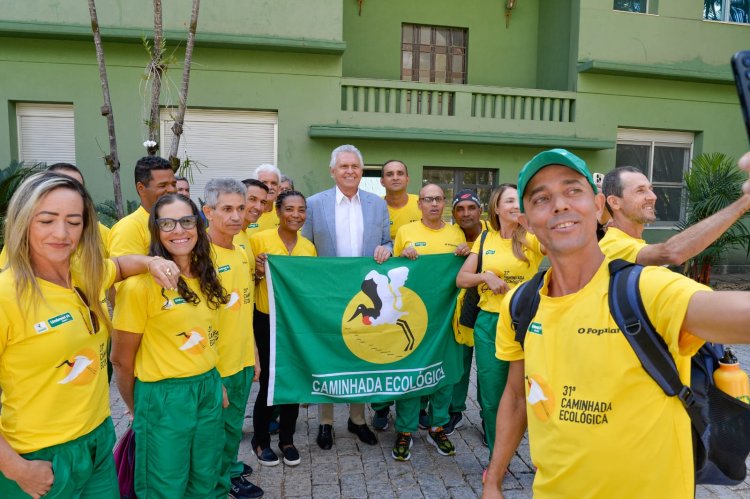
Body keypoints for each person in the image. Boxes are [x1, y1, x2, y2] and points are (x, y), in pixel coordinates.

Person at [483, 148, 750, 498]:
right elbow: (517, 398)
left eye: (572, 191)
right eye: (541, 198)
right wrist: (493, 481)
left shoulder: (644, 289)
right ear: (527, 222)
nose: (560, 204)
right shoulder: (521, 305)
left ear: (597, 207)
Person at [0, 172, 178, 498]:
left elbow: (121, 266)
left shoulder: (84, 273)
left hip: (97, 441)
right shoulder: (6, 295)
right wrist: (16, 468)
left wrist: (152, 263)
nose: (62, 233)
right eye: (46, 220)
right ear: (23, 221)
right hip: (40, 457)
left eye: (74, 221)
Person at [110, 194, 228, 498]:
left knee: (205, 479)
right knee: (166, 488)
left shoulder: (205, 276)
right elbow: (121, 361)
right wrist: (141, 409)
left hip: (207, 388)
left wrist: (217, 384)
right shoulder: (138, 287)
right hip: (162, 398)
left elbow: (210, 335)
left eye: (187, 221)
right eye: (168, 223)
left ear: (199, 226)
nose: (179, 230)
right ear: (156, 230)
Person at [302, 144, 392, 450]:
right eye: (344, 166)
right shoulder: (314, 204)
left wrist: (387, 249)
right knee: (328, 355)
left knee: (361, 353)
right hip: (328, 293)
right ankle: (325, 422)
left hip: (365, 294)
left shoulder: (378, 204)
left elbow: (387, 241)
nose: (350, 171)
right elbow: (305, 248)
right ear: (332, 171)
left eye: (355, 166)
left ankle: (357, 419)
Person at [456, 184, 544, 469]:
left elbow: (553, 249)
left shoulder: (530, 237)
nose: (515, 204)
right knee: (491, 394)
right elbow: (462, 278)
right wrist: (485, 277)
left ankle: (542, 453)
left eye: (520, 200)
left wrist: (529, 223)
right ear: (496, 208)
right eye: (509, 201)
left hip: (525, 324)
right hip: (489, 322)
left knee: (532, 391)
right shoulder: (485, 238)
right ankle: (498, 456)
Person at [389, 183, 469, 461]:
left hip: (447, 317)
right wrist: (403, 255)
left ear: (443, 203)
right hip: (415, 318)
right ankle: (405, 430)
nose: (433, 204)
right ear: (419, 204)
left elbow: (467, 268)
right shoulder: (405, 233)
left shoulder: (456, 233)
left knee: (444, 374)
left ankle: (438, 426)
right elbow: (393, 270)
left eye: (438, 199)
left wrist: (465, 251)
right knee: (412, 372)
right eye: (427, 199)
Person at [202, 179, 263, 499]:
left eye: (241, 208)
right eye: (227, 209)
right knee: (212, 437)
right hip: (214, 368)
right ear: (208, 211)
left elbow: (245, 307)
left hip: (240, 361)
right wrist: (209, 373)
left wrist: (252, 353)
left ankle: (226, 481)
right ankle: (211, 488)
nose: (236, 216)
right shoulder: (200, 256)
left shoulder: (242, 247)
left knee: (231, 432)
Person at [250, 190, 316, 467]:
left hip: (294, 323)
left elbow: (310, 288)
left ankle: (287, 439)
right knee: (268, 381)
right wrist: (257, 272)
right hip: (265, 319)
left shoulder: (308, 248)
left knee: (293, 379)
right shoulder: (258, 241)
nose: (296, 215)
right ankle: (260, 440)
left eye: (301, 210)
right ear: (277, 211)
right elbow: (245, 283)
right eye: (289, 209)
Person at [599, 165, 750, 264]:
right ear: (614, 202)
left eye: (650, 188)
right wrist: (744, 203)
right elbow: (670, 253)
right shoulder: (612, 245)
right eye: (640, 190)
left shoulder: (633, 243)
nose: (652, 196)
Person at [370, 159, 422, 431]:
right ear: (382, 181)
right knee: (384, 345)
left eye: (400, 173)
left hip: (415, 286)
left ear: (408, 178)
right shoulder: (377, 206)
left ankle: (416, 404)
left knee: (412, 344)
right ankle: (380, 406)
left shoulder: (421, 203)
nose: (395, 177)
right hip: (385, 287)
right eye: (389, 174)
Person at [445, 189, 493, 435]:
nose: (466, 214)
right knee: (460, 362)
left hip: (488, 308)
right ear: (453, 214)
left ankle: (489, 418)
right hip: (460, 308)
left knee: (487, 368)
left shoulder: (493, 232)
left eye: (471, 208)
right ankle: (455, 411)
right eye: (460, 209)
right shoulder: (450, 235)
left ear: (480, 210)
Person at [109, 156, 177, 257]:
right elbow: (125, 269)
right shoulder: (129, 227)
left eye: (173, 184)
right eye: (163, 185)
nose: (172, 190)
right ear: (141, 188)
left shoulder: (181, 223)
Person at [246, 164, 282, 237]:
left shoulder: (284, 212)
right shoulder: (243, 211)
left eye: (273, 183)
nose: (269, 187)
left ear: (279, 188)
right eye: (264, 183)